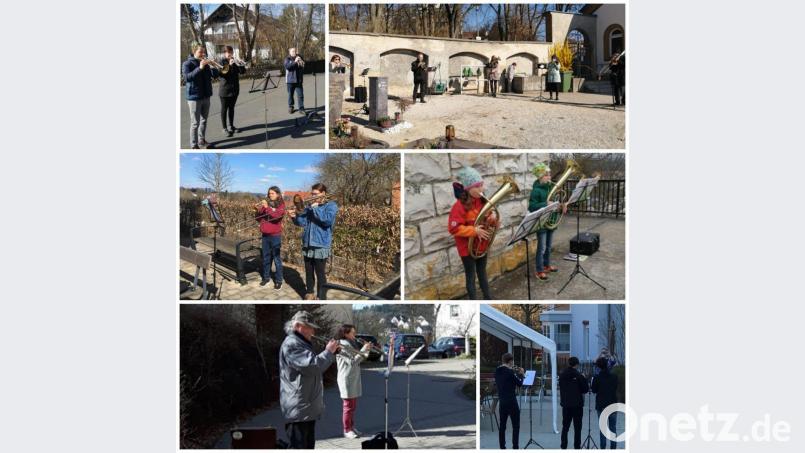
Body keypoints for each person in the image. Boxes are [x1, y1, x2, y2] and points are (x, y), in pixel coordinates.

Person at [279, 310, 340, 449]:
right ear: (299, 326)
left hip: (306, 408)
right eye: (310, 327)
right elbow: (313, 366)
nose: (313, 331)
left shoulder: (301, 343)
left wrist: (330, 353)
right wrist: (328, 352)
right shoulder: (292, 344)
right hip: (299, 409)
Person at [448, 167, 495, 300]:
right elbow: (453, 229)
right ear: (469, 188)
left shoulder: (482, 202)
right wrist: (474, 231)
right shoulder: (459, 206)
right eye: (478, 186)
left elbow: (489, 216)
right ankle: (473, 301)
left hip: (481, 245)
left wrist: (492, 219)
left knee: (482, 272)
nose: (482, 189)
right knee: (471, 275)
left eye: (482, 185)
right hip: (467, 249)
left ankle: (487, 298)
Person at [290, 183, 338, 300]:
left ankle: (321, 297)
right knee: (308, 270)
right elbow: (302, 223)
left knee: (320, 273)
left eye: (315, 194)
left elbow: (326, 221)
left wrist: (316, 208)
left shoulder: (331, 206)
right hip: (308, 243)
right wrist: (294, 217)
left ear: (323, 194)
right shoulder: (310, 207)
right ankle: (309, 293)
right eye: (312, 193)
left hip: (321, 244)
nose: (313, 196)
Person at [528, 163, 567, 281]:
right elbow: (532, 206)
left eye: (549, 174)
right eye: (546, 175)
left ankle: (546, 265)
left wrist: (561, 207)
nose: (549, 177)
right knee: (542, 248)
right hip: (542, 223)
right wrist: (545, 204)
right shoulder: (536, 190)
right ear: (540, 177)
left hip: (551, 221)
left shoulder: (551, 188)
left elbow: (554, 204)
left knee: (549, 247)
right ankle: (539, 270)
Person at [335, 324, 372, 439]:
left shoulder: (351, 343)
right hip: (346, 378)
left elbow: (359, 359)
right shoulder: (342, 345)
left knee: (353, 406)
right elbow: (352, 362)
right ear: (345, 333)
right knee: (348, 406)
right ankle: (347, 430)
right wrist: (364, 350)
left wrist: (367, 351)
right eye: (352, 332)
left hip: (353, 378)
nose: (355, 335)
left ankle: (351, 427)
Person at [182, 44, 219, 149]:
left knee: (204, 120)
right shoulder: (187, 64)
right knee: (195, 123)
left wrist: (212, 66)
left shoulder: (206, 63)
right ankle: (194, 145)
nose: (203, 54)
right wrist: (200, 67)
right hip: (194, 97)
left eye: (204, 52)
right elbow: (187, 78)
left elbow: (215, 75)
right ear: (194, 52)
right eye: (200, 52)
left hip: (206, 96)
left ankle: (201, 140)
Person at [255, 186, 285, 289]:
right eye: (269, 193)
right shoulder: (266, 205)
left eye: (272, 193)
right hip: (265, 235)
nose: (270, 195)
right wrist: (256, 211)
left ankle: (279, 280)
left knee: (276, 259)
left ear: (277, 194)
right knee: (266, 258)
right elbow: (258, 219)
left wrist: (267, 207)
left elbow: (276, 217)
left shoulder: (281, 205)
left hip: (275, 236)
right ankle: (266, 278)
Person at [559, 357, 589, 450]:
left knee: (565, 427)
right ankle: (577, 447)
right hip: (577, 405)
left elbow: (560, 386)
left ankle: (563, 446)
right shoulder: (579, 375)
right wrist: (584, 378)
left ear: (569, 363)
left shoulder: (562, 374)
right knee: (577, 427)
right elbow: (585, 389)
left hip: (566, 404)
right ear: (577, 364)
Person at [494, 353, 524, 449]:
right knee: (516, 426)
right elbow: (519, 384)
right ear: (510, 361)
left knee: (502, 426)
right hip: (511, 401)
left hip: (502, 402)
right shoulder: (510, 372)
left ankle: (502, 447)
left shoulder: (497, 371)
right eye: (512, 361)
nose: (513, 363)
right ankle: (515, 447)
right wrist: (522, 374)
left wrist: (513, 371)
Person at [217, 45, 246, 137]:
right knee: (224, 109)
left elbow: (242, 72)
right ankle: (224, 128)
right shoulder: (221, 61)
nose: (230, 54)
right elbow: (222, 74)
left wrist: (240, 64)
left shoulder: (234, 61)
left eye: (231, 52)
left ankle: (231, 126)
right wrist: (229, 64)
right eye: (228, 52)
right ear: (224, 53)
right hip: (225, 90)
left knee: (232, 108)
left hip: (234, 89)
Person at [591, 357, 619, 449]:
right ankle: (613, 448)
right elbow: (615, 387)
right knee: (612, 428)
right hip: (612, 404)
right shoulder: (614, 377)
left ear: (598, 366)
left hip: (601, 405)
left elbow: (594, 390)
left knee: (603, 429)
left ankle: (603, 448)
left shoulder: (597, 377)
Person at [285, 47, 305, 114]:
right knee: (290, 95)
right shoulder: (287, 59)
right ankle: (291, 107)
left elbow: (303, 67)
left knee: (300, 95)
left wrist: (301, 62)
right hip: (290, 81)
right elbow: (288, 67)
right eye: (293, 51)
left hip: (298, 80)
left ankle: (301, 108)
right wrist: (295, 62)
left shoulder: (299, 57)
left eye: (295, 51)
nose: (294, 52)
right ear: (290, 52)